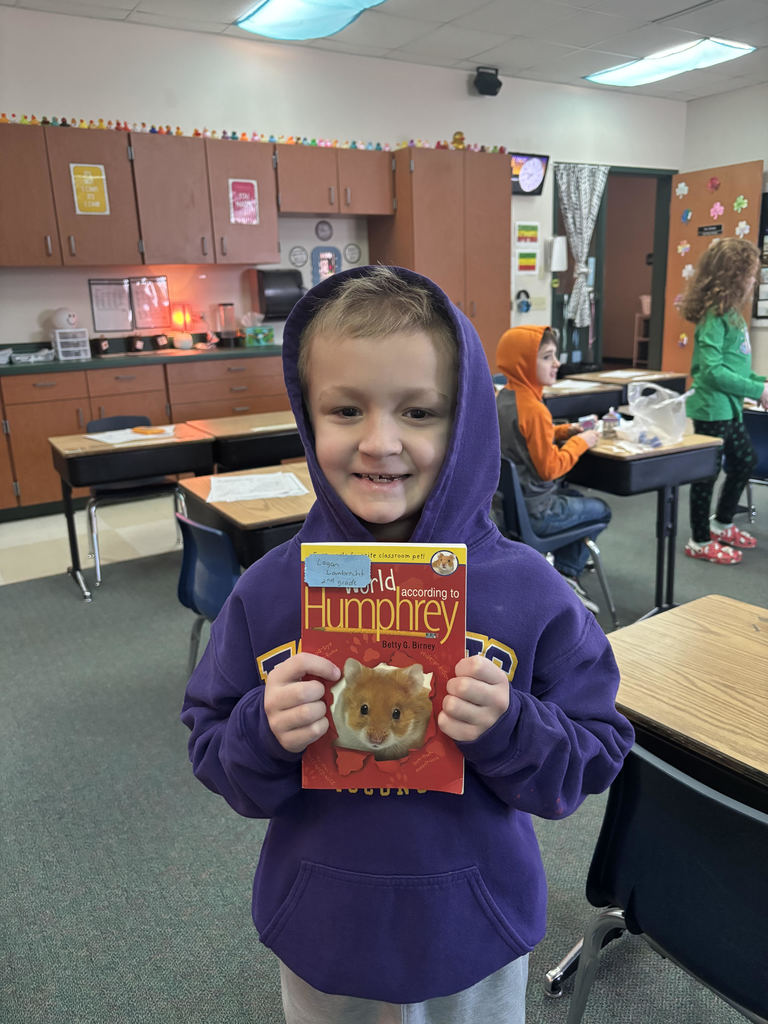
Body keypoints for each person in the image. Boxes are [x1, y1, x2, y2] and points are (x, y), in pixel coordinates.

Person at [181, 266, 633, 1024]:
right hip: (323, 932)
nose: (380, 442)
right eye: (345, 409)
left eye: (419, 411)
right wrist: (263, 732)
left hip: (474, 929)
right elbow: (210, 744)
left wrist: (513, 725)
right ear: (307, 414)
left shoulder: (532, 594)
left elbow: (598, 750)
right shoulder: (267, 593)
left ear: (464, 423)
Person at [494, 324, 611, 613]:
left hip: (507, 510)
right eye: (547, 356)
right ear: (523, 362)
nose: (557, 363)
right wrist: (582, 441)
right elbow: (550, 469)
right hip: (538, 513)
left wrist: (565, 431)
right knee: (601, 508)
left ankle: (553, 575)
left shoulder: (505, 398)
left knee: (577, 499)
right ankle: (566, 575)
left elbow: (524, 440)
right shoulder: (535, 410)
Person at [680, 237, 768, 564]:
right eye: (749, 274)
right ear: (732, 276)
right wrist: (756, 391)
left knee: (744, 462)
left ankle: (722, 522)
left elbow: (735, 367)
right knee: (706, 475)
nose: (753, 281)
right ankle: (699, 541)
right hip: (711, 411)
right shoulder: (713, 319)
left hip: (729, 409)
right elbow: (713, 372)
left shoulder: (731, 315)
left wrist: (760, 383)